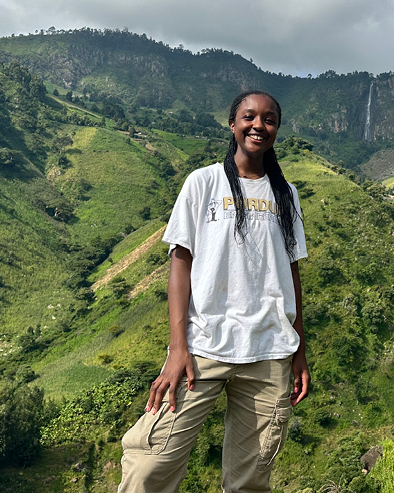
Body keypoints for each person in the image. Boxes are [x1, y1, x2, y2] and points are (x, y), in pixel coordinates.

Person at [119, 90, 309, 493]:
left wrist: (300, 351)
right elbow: (180, 264)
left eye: (269, 119)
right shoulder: (203, 182)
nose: (259, 125)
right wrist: (177, 349)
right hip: (203, 348)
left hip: (270, 352)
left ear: (277, 128)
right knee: (149, 462)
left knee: (250, 479)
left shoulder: (286, 194)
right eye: (249, 116)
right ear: (232, 123)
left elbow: (290, 273)